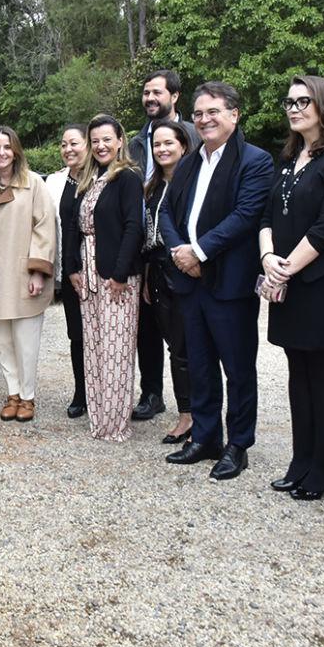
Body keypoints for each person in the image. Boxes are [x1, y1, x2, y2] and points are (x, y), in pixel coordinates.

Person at [258, 76, 324, 499]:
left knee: (323, 374)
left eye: (304, 100)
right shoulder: (286, 158)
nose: (294, 107)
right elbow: (266, 216)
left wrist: (284, 270)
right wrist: (268, 260)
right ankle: (300, 460)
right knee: (296, 374)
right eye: (289, 101)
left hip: (320, 284)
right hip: (285, 283)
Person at [159, 83, 272, 480]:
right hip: (190, 281)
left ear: (235, 115)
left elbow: (245, 216)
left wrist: (199, 251)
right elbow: (166, 214)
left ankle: (238, 444)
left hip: (229, 283)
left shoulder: (255, 161)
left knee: (238, 369)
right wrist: (178, 252)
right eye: (199, 113)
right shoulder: (189, 162)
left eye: (213, 112)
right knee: (201, 364)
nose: (204, 120)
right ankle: (205, 437)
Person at [63, 114, 144, 442]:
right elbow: (72, 225)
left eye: (106, 139)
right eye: (95, 140)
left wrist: (120, 273)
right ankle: (98, 418)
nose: (100, 146)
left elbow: (133, 227)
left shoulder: (127, 178)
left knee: (117, 352)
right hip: (87, 275)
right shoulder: (87, 177)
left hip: (115, 277)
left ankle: (115, 424)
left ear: (120, 140)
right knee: (94, 349)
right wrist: (71, 268)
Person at [0, 125, 56, 423]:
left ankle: (28, 397)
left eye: (7, 147)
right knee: (3, 341)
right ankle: (12, 393)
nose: (1, 152)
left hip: (22, 274)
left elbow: (45, 229)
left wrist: (38, 272)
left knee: (26, 342)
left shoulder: (32, 183)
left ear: (16, 151)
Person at [128, 69, 191, 420]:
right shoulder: (136, 141)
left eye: (157, 92)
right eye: (146, 92)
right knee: (147, 331)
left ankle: (193, 409)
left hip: (182, 255)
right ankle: (152, 394)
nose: (150, 98)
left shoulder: (196, 136)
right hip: (145, 252)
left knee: (183, 339)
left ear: (174, 96)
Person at [141, 118, 195, 444]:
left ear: (183, 146)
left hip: (184, 270)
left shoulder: (191, 183)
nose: (161, 149)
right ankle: (186, 413)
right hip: (158, 272)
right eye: (157, 145)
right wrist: (148, 276)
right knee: (175, 348)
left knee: (187, 349)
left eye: (168, 143)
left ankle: (191, 416)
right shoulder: (154, 186)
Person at [45, 125, 89, 418]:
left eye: (74, 143)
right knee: (77, 336)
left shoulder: (103, 177)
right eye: (63, 144)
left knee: (104, 337)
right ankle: (81, 393)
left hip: (100, 270)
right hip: (70, 270)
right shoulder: (55, 181)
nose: (68, 149)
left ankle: (105, 393)